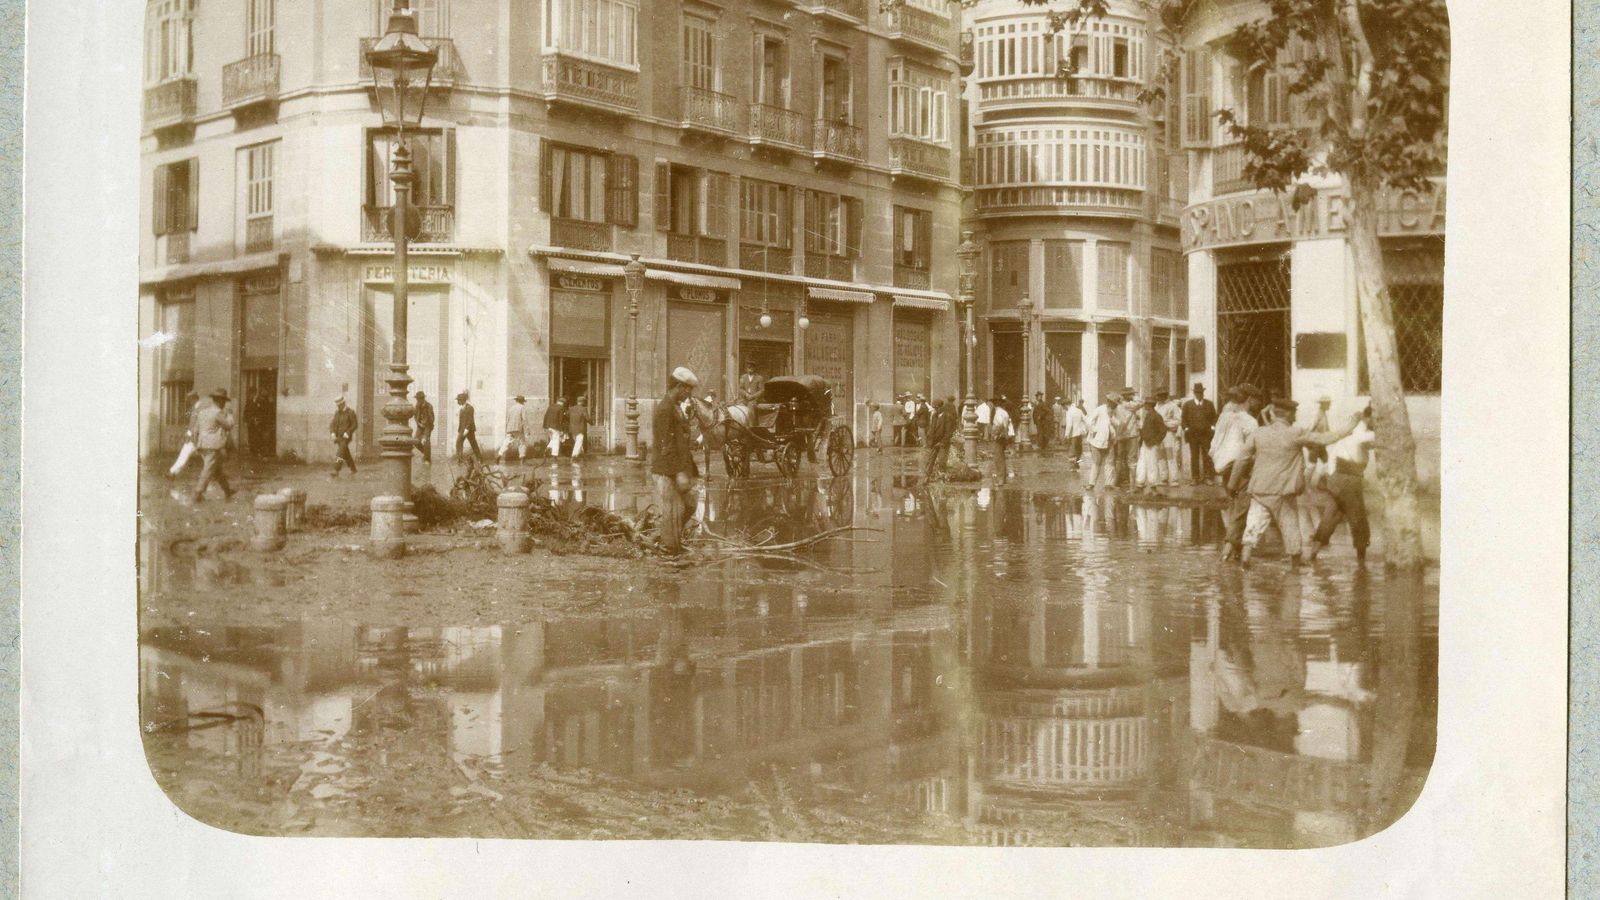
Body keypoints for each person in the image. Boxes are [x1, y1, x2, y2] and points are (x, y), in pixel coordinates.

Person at [1229, 396, 1357, 566]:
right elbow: (1325, 439)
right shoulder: (1296, 433)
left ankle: (1245, 563)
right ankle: (1295, 572)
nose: (1296, 417)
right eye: (1295, 413)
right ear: (1288, 415)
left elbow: (1241, 460)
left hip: (1259, 490)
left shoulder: (1258, 433)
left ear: (1274, 415)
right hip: (1283, 493)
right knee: (1291, 533)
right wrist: (1349, 427)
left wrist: (1232, 484)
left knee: (1251, 532)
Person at [1307, 406, 1376, 563]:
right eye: (1375, 420)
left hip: (1340, 477)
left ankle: (1312, 555)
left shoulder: (1356, 429)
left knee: (1330, 517)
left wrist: (1332, 478)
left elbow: (1360, 445)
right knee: (1358, 518)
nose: (1377, 424)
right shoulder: (1359, 429)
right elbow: (1362, 439)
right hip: (1349, 478)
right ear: (1368, 417)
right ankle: (1361, 562)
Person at [652, 367, 704, 555]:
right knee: (673, 509)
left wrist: (688, 469)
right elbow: (667, 446)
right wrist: (679, 473)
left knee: (690, 504)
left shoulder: (674, 407)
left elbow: (680, 441)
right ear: (679, 387)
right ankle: (669, 549)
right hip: (667, 470)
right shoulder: (665, 409)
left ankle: (671, 540)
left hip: (678, 467)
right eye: (688, 389)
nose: (689, 393)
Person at [191, 388, 237, 502]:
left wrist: (196, 442)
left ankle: (227, 490)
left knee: (216, 470)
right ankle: (198, 493)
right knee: (208, 469)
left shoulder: (203, 412)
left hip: (202, 444)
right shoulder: (217, 413)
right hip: (213, 445)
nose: (224, 404)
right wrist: (230, 415)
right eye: (224, 402)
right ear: (220, 401)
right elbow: (228, 426)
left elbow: (195, 429)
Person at [1181, 383, 1218, 484]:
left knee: (1207, 455)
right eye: (1197, 392)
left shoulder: (1209, 404)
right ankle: (1195, 478)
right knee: (1194, 456)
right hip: (1193, 435)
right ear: (1194, 393)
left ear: (1203, 393)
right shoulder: (1187, 405)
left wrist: (1212, 427)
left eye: (1200, 392)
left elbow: (1214, 417)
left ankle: (1207, 477)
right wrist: (1186, 428)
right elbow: (1183, 419)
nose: (1199, 394)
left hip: (1206, 435)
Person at [167, 390, 203, 477]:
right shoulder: (197, 407)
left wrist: (189, 433)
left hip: (195, 437)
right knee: (207, 458)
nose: (189, 401)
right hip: (199, 437)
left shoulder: (198, 408)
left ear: (194, 398)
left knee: (185, 453)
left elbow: (196, 423)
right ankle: (173, 472)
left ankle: (172, 472)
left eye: (190, 399)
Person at [1135, 397, 1168, 493]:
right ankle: (1139, 484)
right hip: (1145, 443)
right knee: (1142, 463)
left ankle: (1153, 485)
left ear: (1150, 405)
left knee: (1152, 464)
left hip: (1152, 444)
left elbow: (1163, 431)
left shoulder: (1156, 416)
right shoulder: (1148, 415)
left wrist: (1155, 441)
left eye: (1146, 404)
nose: (1145, 405)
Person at [1085, 393, 1117, 489]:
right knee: (1096, 462)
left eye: (1115, 404)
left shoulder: (1113, 412)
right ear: (1108, 402)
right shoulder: (1100, 409)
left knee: (1109, 462)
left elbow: (1118, 423)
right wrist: (1094, 429)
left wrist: (1112, 418)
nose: (1114, 406)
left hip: (1109, 440)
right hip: (1097, 440)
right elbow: (1088, 421)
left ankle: (1108, 484)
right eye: (1112, 404)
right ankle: (1091, 483)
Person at [1155, 390, 1183, 486]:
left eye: (1160, 396)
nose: (1158, 398)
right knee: (1161, 456)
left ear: (1164, 396)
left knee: (1171, 456)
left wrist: (1166, 424)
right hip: (1158, 434)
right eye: (1158, 396)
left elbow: (1179, 420)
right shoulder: (1157, 406)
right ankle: (1164, 478)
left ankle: (1174, 479)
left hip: (1168, 433)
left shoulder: (1173, 406)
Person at [1112, 390, 1138, 488]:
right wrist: (1134, 398)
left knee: (1120, 459)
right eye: (1131, 394)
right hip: (1132, 435)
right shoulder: (1132, 405)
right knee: (1132, 459)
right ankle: (1132, 485)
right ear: (1127, 396)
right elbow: (1141, 402)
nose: (1133, 396)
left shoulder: (1117, 407)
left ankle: (1118, 481)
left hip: (1120, 436)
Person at [330, 396, 358, 477]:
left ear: (343, 403)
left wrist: (348, 432)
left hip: (346, 437)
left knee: (340, 453)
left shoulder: (351, 412)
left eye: (339, 405)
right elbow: (333, 424)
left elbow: (355, 424)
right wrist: (332, 433)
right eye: (337, 405)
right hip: (338, 437)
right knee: (345, 453)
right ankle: (353, 468)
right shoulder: (337, 413)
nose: (338, 406)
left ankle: (336, 470)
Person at [989, 397, 1014, 484]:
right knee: (1001, 457)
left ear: (995, 405)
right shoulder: (1005, 412)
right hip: (1004, 436)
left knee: (998, 458)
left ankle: (1000, 479)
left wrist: (995, 434)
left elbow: (999, 425)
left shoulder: (998, 413)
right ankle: (1002, 478)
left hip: (999, 437)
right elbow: (1006, 425)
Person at [499, 394, 530, 463]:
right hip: (518, 428)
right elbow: (524, 420)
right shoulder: (522, 407)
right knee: (522, 443)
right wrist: (527, 431)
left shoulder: (511, 408)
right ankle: (522, 459)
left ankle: (499, 454)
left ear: (516, 401)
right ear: (522, 401)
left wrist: (507, 429)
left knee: (507, 442)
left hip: (510, 428)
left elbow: (507, 419)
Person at [243, 387, 269, 458]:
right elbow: (246, 411)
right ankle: (252, 452)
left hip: (258, 422)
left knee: (258, 437)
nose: (250, 395)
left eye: (251, 393)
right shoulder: (248, 401)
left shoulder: (260, 401)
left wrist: (259, 420)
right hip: (250, 422)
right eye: (249, 394)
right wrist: (245, 420)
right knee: (250, 437)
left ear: (255, 393)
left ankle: (259, 452)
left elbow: (263, 412)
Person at [455, 392, 481, 460]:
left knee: (473, 444)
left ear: (463, 400)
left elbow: (470, 419)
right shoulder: (461, 409)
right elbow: (461, 421)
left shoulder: (470, 408)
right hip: (462, 430)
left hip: (469, 430)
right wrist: (460, 430)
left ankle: (480, 459)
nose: (457, 401)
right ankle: (460, 459)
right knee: (458, 443)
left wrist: (467, 429)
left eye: (459, 400)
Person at [412, 390, 435, 463]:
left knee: (425, 441)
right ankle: (426, 455)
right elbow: (415, 416)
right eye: (417, 399)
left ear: (423, 399)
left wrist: (425, 425)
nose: (417, 400)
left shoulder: (429, 406)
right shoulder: (417, 406)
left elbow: (432, 419)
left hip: (428, 426)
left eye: (419, 399)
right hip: (420, 426)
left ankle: (427, 460)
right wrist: (419, 423)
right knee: (416, 441)